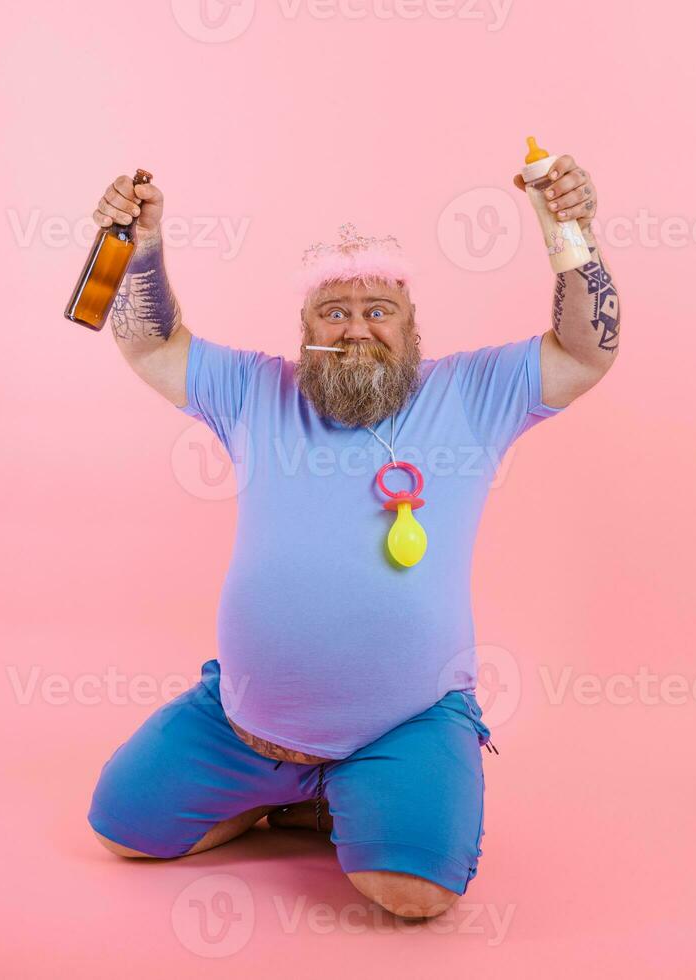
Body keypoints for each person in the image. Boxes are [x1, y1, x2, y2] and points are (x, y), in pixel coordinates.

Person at [85, 155, 620, 920]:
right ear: (306, 335)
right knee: (123, 831)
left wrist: (568, 232)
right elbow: (152, 345)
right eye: (333, 313)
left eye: (379, 309)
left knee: (412, 896)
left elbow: (583, 352)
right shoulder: (253, 390)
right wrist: (139, 243)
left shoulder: (468, 394)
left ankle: (360, 780)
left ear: (410, 327)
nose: (358, 326)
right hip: (242, 723)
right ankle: (297, 794)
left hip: (403, 722)